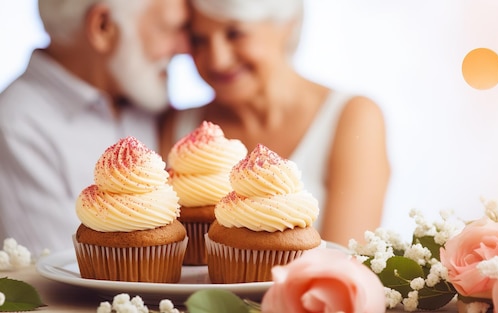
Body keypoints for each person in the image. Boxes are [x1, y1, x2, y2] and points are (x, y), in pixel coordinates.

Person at [160, 0, 390, 246]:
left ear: (287, 25)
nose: (218, 59)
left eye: (235, 33)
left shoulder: (353, 117)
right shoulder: (175, 125)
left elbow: (347, 259)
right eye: (198, 40)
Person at [0, 0, 189, 253]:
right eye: (168, 28)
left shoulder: (145, 102)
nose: (184, 47)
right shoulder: (17, 125)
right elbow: (59, 273)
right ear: (103, 27)